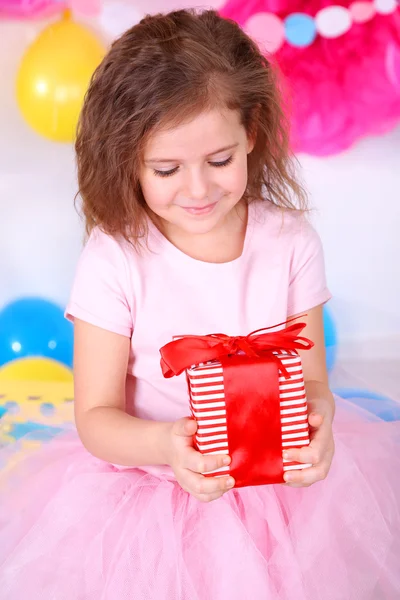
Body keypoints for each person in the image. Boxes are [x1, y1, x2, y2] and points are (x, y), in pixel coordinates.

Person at [0, 9, 399, 600]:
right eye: (166, 168)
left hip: (275, 488)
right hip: (152, 488)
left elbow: (313, 381)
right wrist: (167, 445)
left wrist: (317, 428)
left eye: (219, 161)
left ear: (252, 136)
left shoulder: (288, 242)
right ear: (127, 158)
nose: (197, 189)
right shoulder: (116, 258)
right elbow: (96, 419)